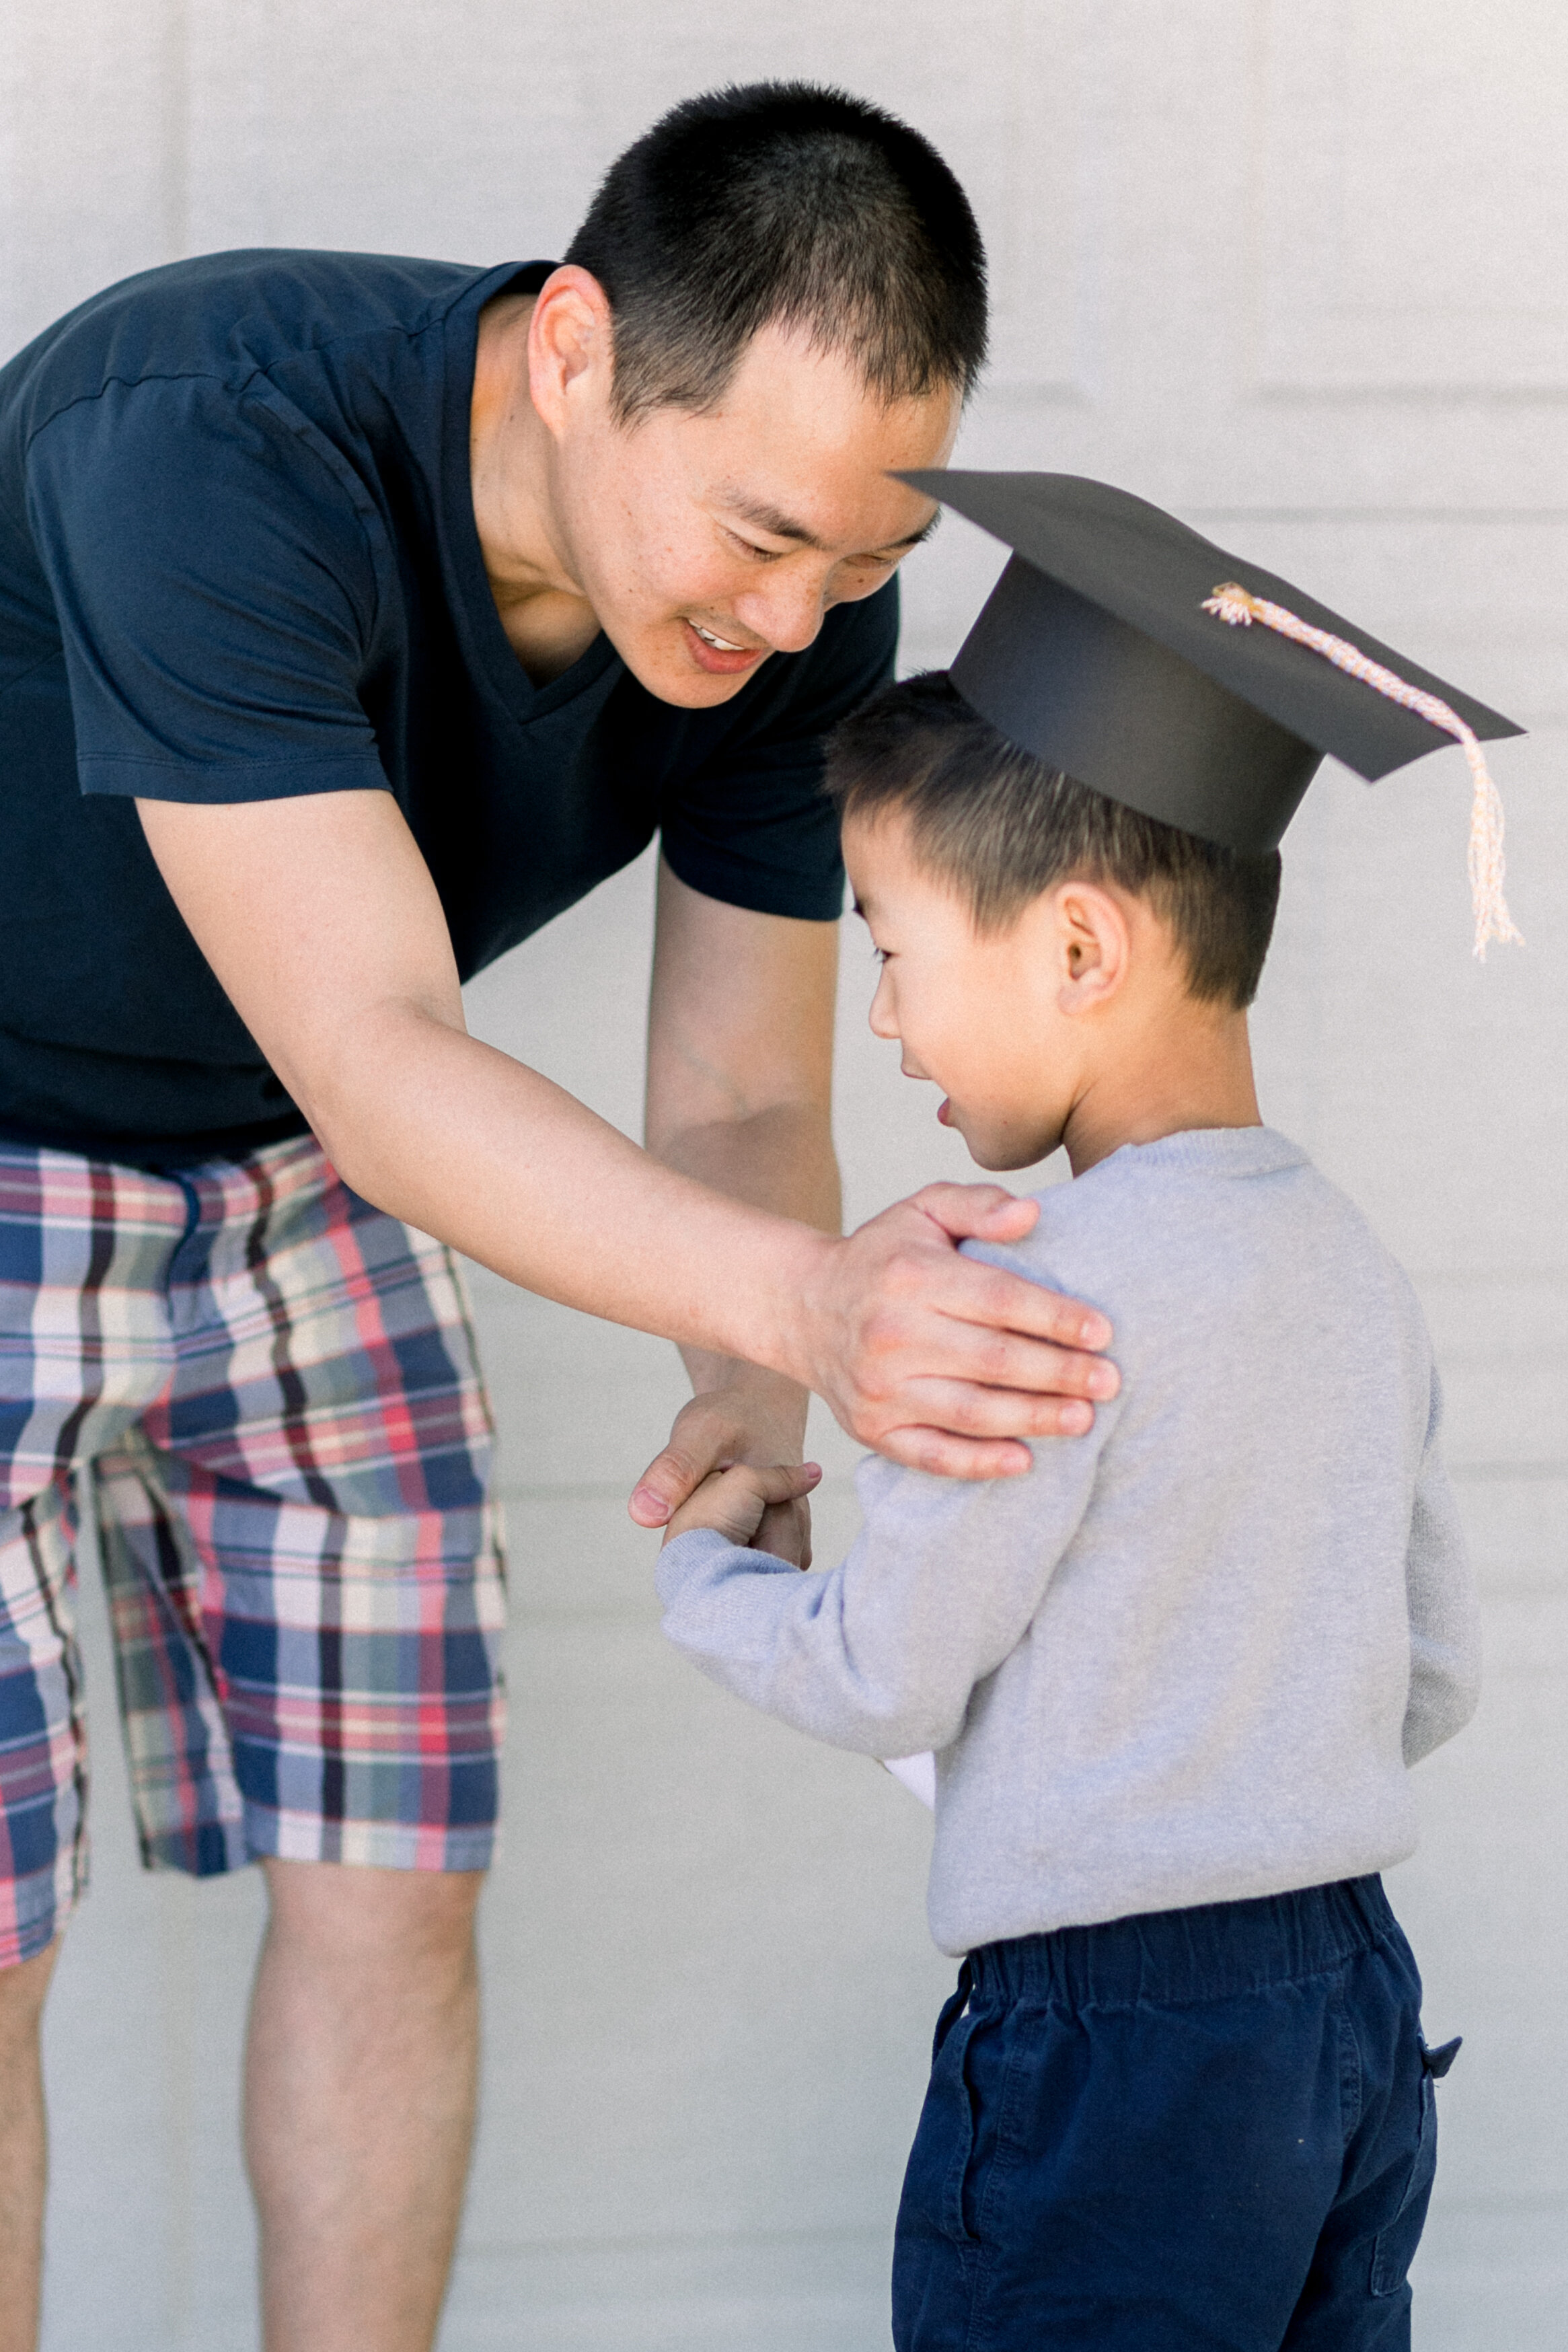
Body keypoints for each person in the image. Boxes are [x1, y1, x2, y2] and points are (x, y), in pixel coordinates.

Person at [0, 92, 1125, 2352]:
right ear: (580, 345)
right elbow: (385, 1048)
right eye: (759, 536)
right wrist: (810, 1303)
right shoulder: (202, 440)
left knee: (398, 1876)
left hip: (301, 1181)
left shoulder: (802, 589)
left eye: (853, 559)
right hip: (94, 1137)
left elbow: (726, 1088)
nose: (798, 618)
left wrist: (756, 1390)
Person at [656, 473, 1507, 2348]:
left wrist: (713, 1579)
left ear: (1072, 950)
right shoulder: (1346, 1267)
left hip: (1108, 2043)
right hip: (1349, 2014)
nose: (881, 1021)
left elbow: (887, 1674)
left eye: (888, 945)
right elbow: (1429, 1672)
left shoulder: (1031, 1297)